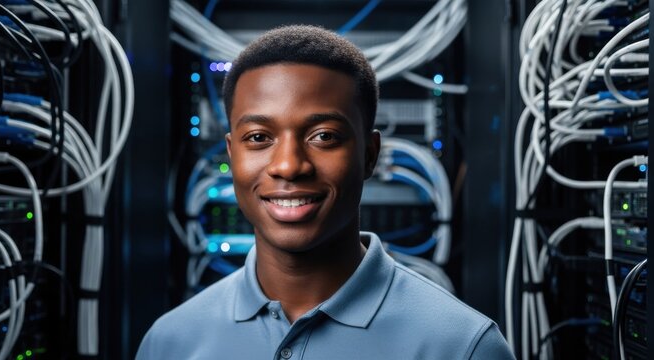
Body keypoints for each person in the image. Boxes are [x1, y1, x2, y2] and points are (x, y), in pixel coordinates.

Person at [137, 25, 514, 359]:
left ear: (369, 155)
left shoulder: (462, 346)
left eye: (324, 136)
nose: (288, 165)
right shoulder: (170, 342)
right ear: (232, 156)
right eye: (258, 138)